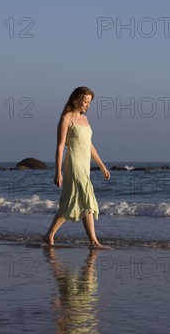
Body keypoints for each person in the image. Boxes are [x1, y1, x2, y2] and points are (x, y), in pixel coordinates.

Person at [43, 86, 111, 250]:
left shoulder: (85, 120)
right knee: (86, 197)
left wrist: (101, 165)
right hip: (73, 163)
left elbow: (89, 145)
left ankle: (49, 234)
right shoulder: (66, 119)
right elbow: (60, 147)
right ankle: (93, 241)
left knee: (73, 200)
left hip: (85, 164)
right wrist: (58, 172)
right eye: (86, 101)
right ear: (76, 99)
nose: (88, 105)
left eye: (89, 102)